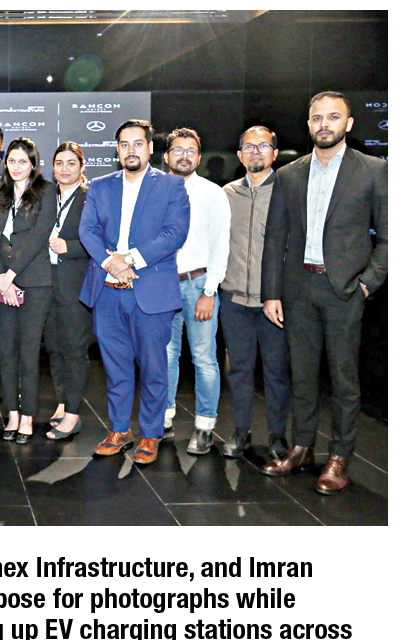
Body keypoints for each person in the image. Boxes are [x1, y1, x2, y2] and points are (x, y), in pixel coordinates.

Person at [261, 91, 388, 494]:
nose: (324, 125)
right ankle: (302, 448)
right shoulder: (289, 174)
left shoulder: (375, 170)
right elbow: (275, 238)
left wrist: (366, 283)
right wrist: (271, 292)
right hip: (298, 287)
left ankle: (339, 457)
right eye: (317, 118)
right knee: (301, 375)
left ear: (348, 124)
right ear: (308, 124)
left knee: (344, 379)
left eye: (333, 117)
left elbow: (389, 237)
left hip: (345, 290)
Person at [78, 119, 190, 464]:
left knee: (154, 367)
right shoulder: (99, 186)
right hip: (108, 292)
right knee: (115, 367)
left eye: (137, 143)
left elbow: (175, 233)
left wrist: (129, 260)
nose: (131, 150)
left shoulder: (171, 185)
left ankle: (151, 433)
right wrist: (110, 264)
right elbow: (88, 230)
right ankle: (119, 429)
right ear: (117, 150)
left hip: (151, 291)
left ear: (150, 148)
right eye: (124, 144)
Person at [219, 126, 290, 460]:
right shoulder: (226, 193)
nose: (255, 152)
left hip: (273, 302)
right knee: (239, 372)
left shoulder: (288, 192)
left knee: (276, 372)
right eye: (248, 147)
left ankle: (278, 436)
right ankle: (241, 432)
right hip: (233, 299)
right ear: (239, 155)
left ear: (274, 153)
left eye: (263, 146)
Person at [161, 128, 231, 454]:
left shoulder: (213, 193)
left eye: (191, 151)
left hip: (198, 284)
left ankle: (204, 427)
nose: (184, 156)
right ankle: (164, 420)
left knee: (204, 358)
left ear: (199, 157)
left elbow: (221, 245)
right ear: (166, 156)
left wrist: (210, 291)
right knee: (165, 356)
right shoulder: (154, 190)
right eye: (178, 150)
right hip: (162, 285)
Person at [0, 137, 58, 444]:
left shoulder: (46, 191)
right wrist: (1, 278)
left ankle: (28, 416)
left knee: (28, 352)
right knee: (6, 352)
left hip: (35, 281)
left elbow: (39, 236)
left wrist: (11, 275)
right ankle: (12, 414)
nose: (16, 166)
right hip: (2, 283)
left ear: (33, 164)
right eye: (12, 161)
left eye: (22, 161)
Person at [43, 142, 92, 441]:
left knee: (74, 349)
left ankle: (73, 414)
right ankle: (63, 402)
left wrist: (69, 247)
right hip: (46, 283)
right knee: (54, 347)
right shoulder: (47, 197)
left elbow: (101, 240)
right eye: (59, 163)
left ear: (82, 167)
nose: (64, 168)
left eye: (71, 163)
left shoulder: (90, 198)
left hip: (76, 284)